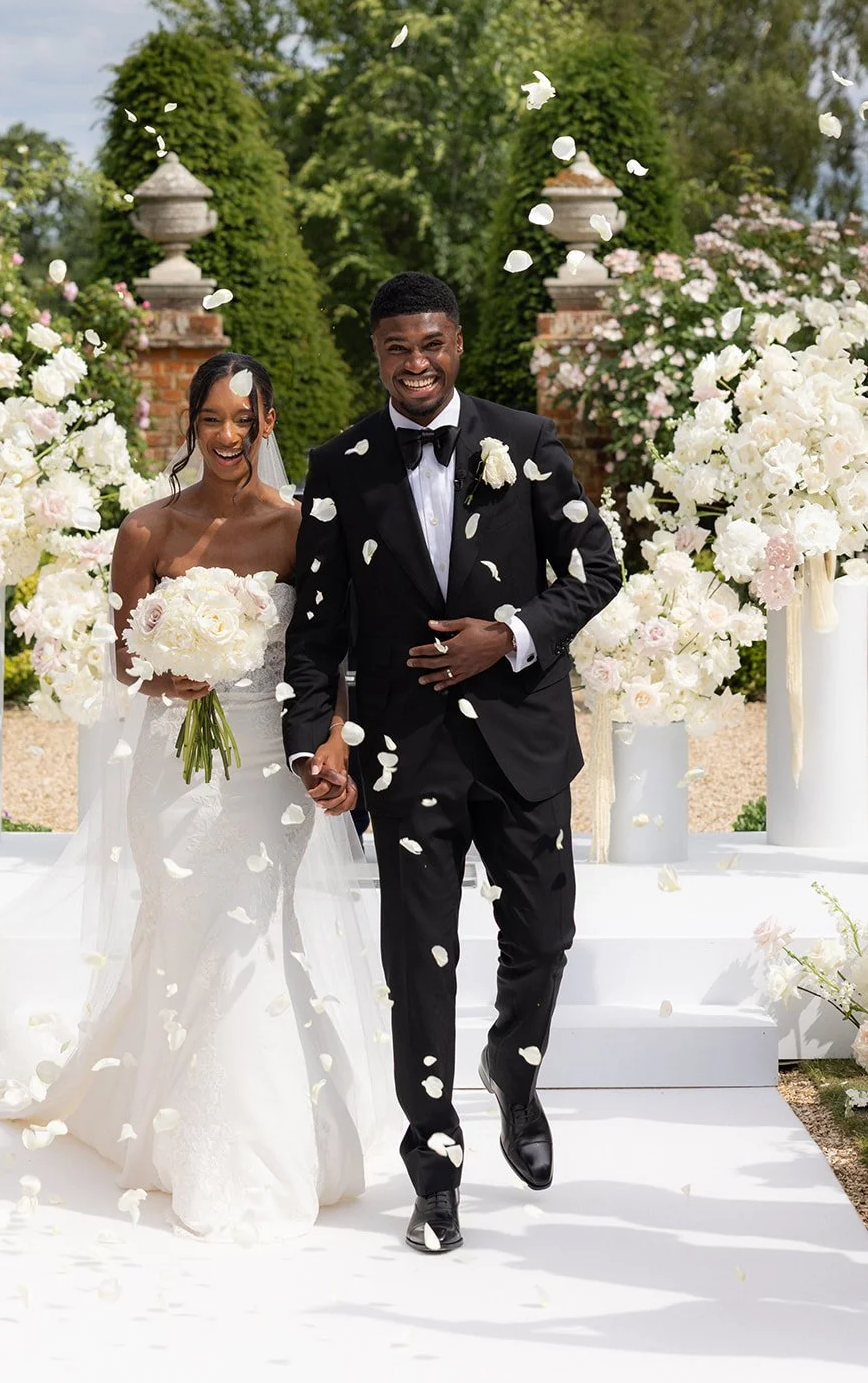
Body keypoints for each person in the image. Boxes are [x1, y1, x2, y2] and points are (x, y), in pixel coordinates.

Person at [0, 353, 394, 1244]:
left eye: (244, 419)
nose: (227, 436)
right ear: (190, 425)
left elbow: (325, 656)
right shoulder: (148, 529)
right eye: (211, 419)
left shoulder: (300, 528)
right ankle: (172, 1131)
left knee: (249, 936)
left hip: (268, 764)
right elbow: (125, 656)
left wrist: (333, 741)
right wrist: (166, 675)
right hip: (175, 770)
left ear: (267, 423)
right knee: (183, 931)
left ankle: (254, 1151)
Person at [282, 272, 621, 1255]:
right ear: (375, 354)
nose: (415, 363)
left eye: (430, 345)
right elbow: (314, 634)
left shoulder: (524, 442)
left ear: (456, 343)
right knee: (416, 968)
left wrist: (507, 633)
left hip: (522, 743)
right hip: (403, 754)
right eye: (396, 349)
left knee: (545, 938)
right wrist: (316, 741)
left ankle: (512, 1069)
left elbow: (593, 568)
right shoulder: (339, 465)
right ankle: (433, 1169)